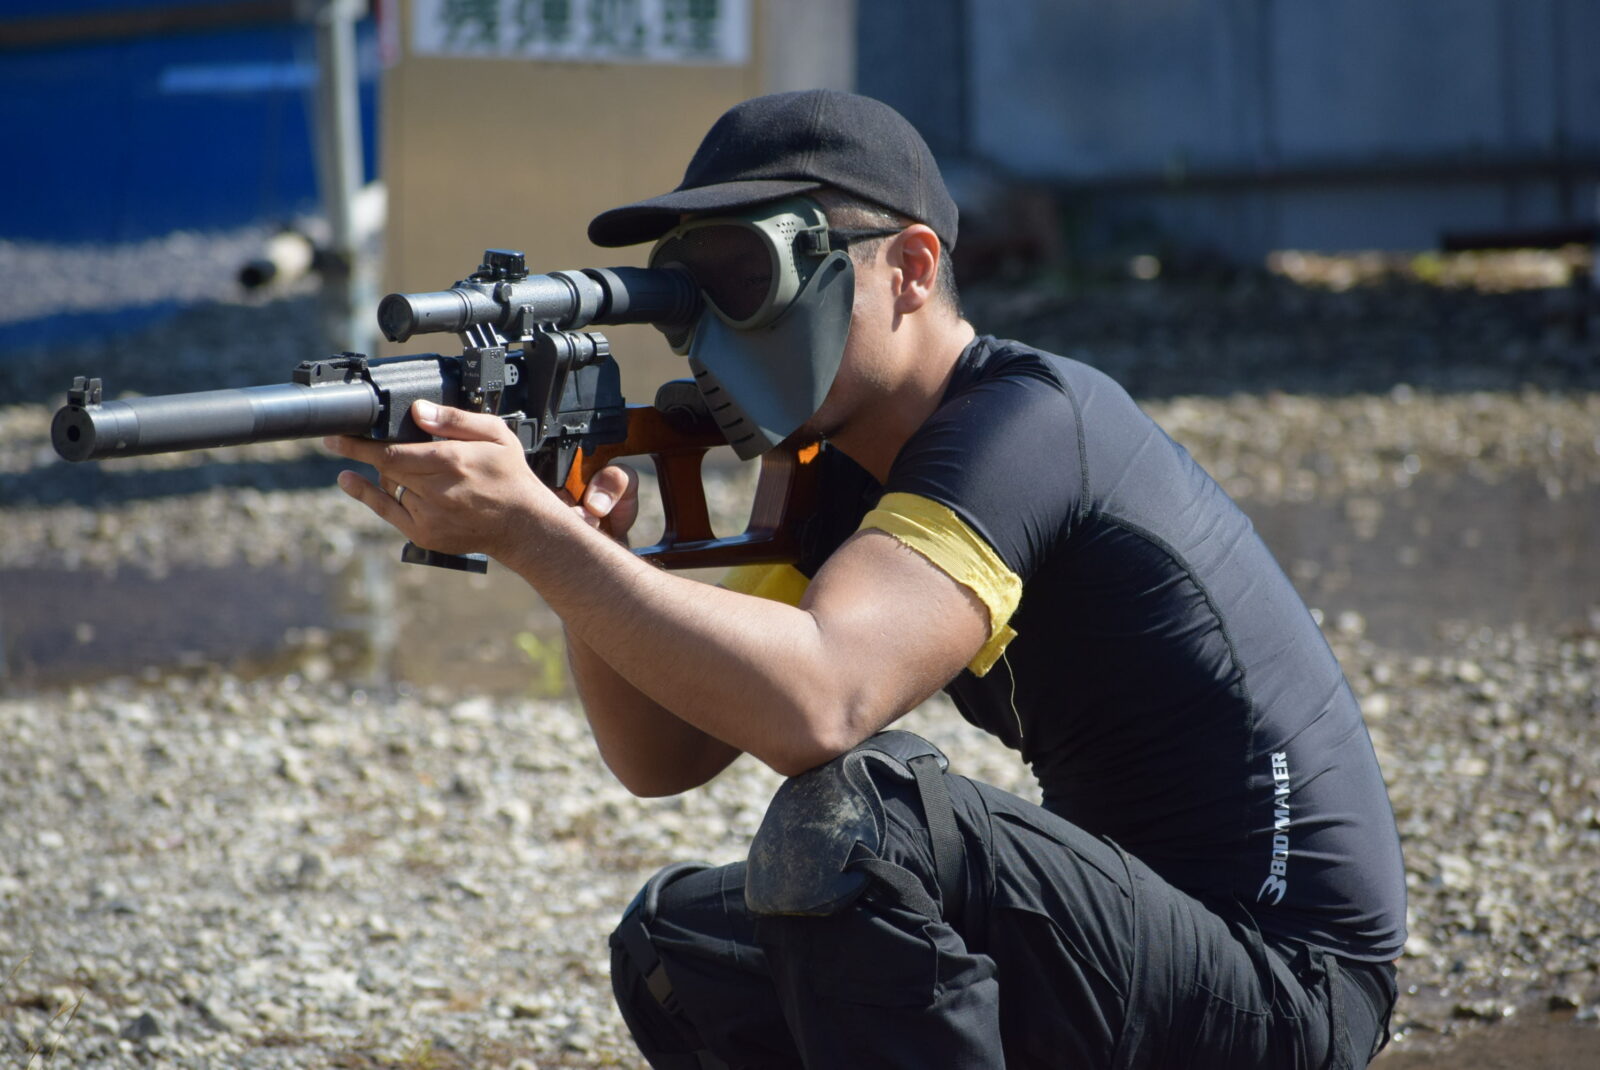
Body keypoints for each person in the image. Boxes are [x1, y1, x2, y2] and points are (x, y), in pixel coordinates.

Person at [326, 90, 1406, 1068]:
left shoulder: (1024, 426)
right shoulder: (839, 467)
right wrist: (577, 549)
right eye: (694, 295)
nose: (720, 331)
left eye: (751, 279)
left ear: (914, 268)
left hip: (1282, 982)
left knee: (864, 816)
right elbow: (665, 754)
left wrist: (535, 537)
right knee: (676, 948)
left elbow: (819, 704)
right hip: (1130, 948)